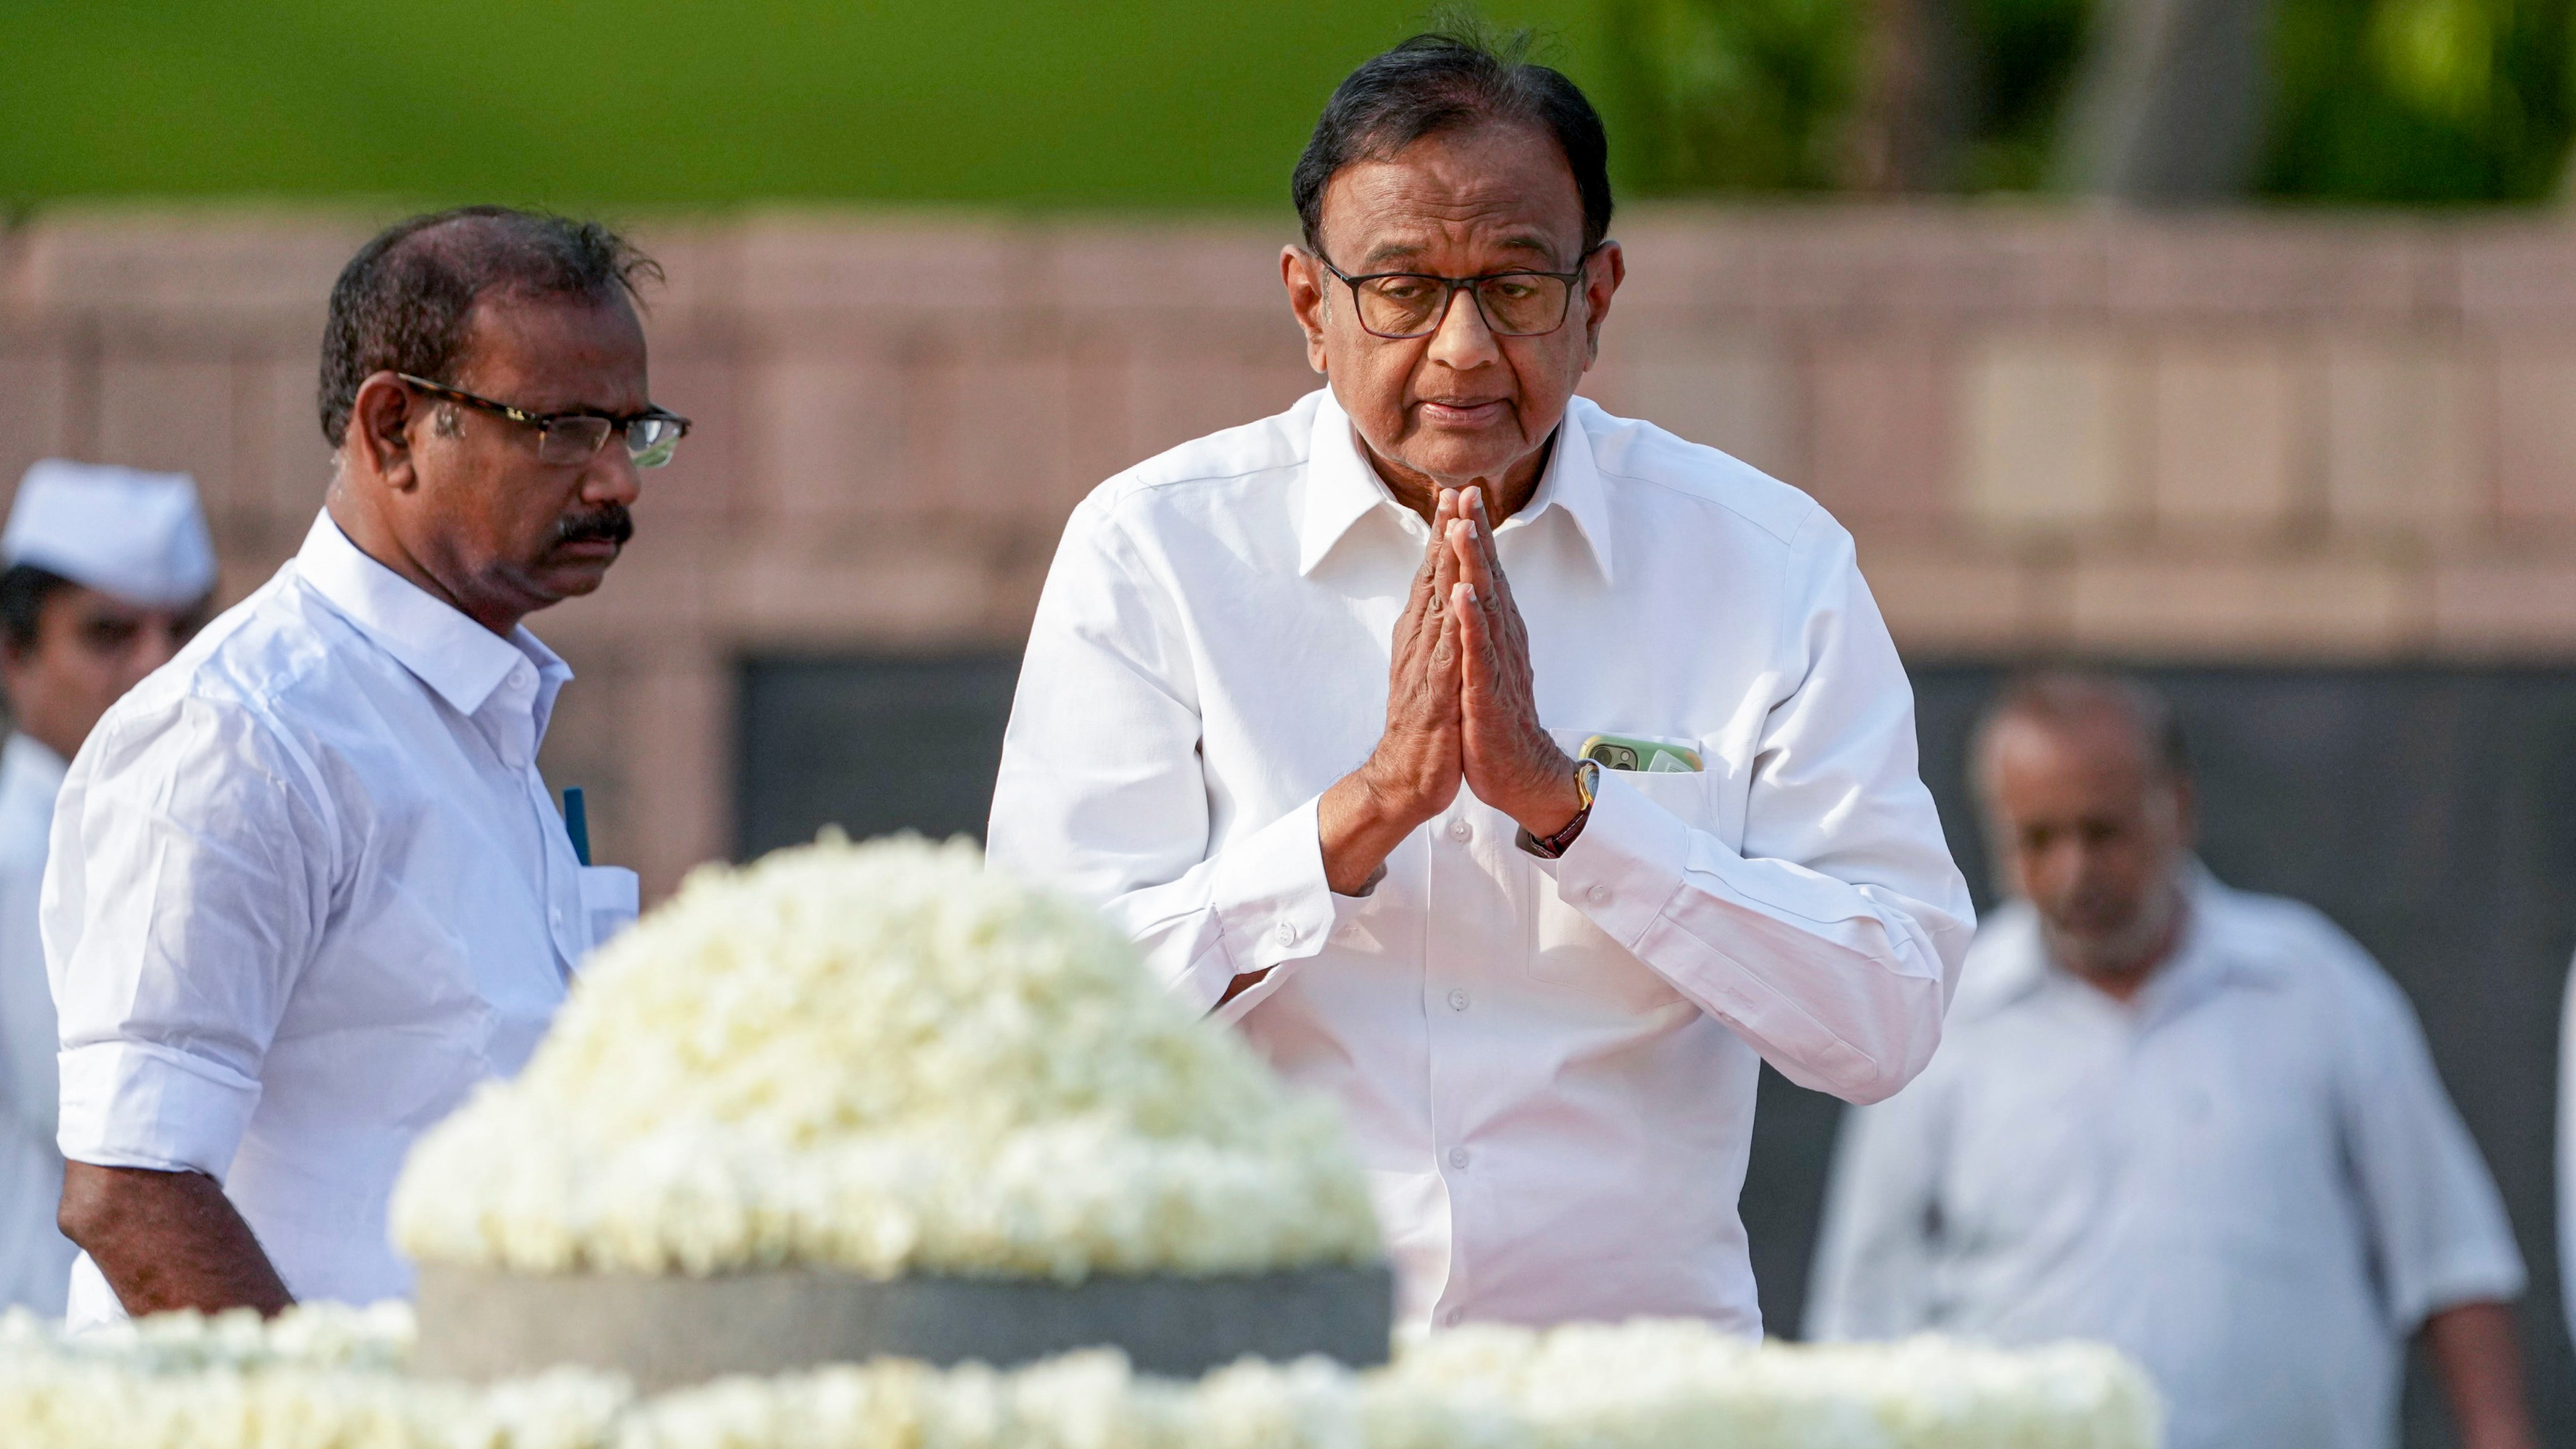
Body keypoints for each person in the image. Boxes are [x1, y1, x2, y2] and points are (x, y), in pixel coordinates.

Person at [986, 29, 1973, 1334]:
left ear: (1597, 297)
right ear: (1308, 306)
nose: (1458, 350)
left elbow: (1888, 1011)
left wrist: (1576, 815)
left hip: (1632, 1395)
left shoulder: (1764, 562)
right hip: (1264, 1375)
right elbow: (1033, 1030)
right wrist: (1358, 821)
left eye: (1514, 287)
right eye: (1399, 288)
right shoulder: (1159, 551)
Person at [46, 206, 683, 1328]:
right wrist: (332, 1420)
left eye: (634, 432)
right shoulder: (242, 733)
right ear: (393, 428)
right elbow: (131, 1189)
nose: (616, 483)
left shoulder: (472, 712)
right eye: (562, 428)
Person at [1807, 672, 2534, 1449]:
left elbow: (2451, 1264)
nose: (2072, 873)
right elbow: (1863, 1319)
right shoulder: (1941, 1020)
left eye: (2102, 832)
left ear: (2177, 808)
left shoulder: (2316, 990)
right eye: (2038, 839)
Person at [0, 461, 217, 1314]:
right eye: (107, 634)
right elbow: (123, 1139)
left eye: (184, 631)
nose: (156, 667)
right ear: (14, 655)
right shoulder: (20, 859)